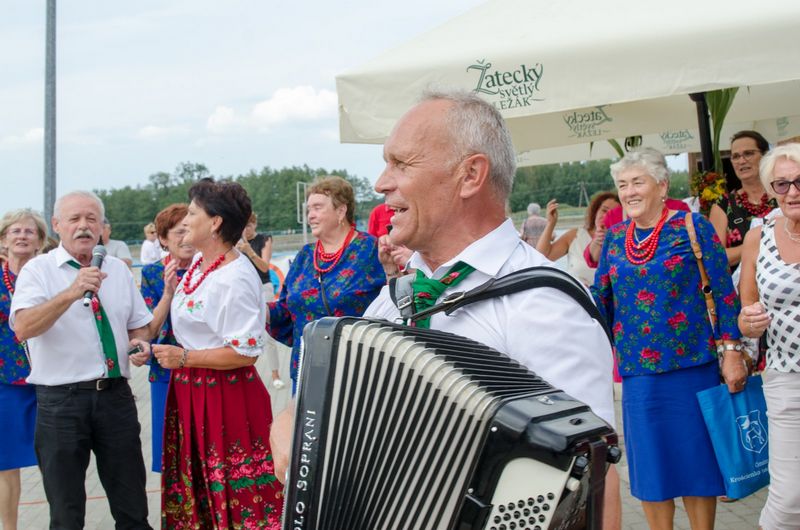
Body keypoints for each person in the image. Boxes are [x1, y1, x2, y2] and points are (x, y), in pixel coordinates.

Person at [272, 90, 621, 529]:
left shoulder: (546, 304)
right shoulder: (397, 298)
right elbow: (321, 402)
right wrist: (288, 423)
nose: (380, 183)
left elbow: (594, 481)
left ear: (470, 175)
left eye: (402, 164)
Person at [591, 148, 747, 530]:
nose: (628, 192)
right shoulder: (615, 239)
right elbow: (600, 300)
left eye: (637, 182)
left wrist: (731, 352)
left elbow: (724, 293)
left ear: (662, 186)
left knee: (697, 465)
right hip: (639, 374)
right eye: (622, 185)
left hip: (693, 366)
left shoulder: (691, 227)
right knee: (652, 469)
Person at [137, 179, 283, 529]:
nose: (185, 221)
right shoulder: (200, 266)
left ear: (215, 222)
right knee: (201, 485)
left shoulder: (234, 276)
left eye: (192, 213)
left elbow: (245, 353)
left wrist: (184, 358)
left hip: (225, 395)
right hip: (193, 389)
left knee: (235, 492)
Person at [9, 191, 156, 530]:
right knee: (66, 512)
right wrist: (73, 291)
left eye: (92, 218)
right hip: (61, 402)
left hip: (116, 398)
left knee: (133, 507)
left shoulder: (117, 269)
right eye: (74, 219)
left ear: (102, 226)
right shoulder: (38, 270)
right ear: (57, 225)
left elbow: (139, 324)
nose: (84, 226)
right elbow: (24, 327)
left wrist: (139, 343)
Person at [267, 176, 385, 392]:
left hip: (355, 373)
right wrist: (257, 309)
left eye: (318, 208)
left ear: (341, 211)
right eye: (309, 209)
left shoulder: (370, 250)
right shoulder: (305, 256)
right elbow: (285, 311)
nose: (310, 215)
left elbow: (390, 308)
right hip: (306, 370)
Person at [737, 143, 800, 530]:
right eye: (782, 184)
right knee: (789, 498)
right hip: (786, 377)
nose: (792, 192)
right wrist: (750, 322)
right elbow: (746, 316)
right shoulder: (758, 238)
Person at [0, 209, 47, 530]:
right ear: (4, 240)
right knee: (5, 463)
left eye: (29, 231)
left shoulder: (51, 276)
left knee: (57, 461)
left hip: (51, 378)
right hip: (5, 381)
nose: (22, 236)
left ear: (40, 240)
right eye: (15, 231)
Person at [138, 204, 194, 473]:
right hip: (166, 370)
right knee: (170, 452)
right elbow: (149, 328)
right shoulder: (152, 274)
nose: (187, 238)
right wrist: (168, 294)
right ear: (162, 239)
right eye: (179, 232)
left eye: (190, 229)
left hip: (206, 365)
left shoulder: (211, 268)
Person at [709, 131, 777, 270]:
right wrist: (758, 242)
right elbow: (714, 257)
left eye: (748, 153)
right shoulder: (723, 205)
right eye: (735, 156)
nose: (741, 161)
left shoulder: (784, 195)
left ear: (765, 156)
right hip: (740, 282)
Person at [237, 213, 284, 389]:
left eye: (249, 225)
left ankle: (275, 374)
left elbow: (265, 267)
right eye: (243, 226)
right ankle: (247, 374)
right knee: (243, 333)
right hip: (244, 290)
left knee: (269, 335)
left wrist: (249, 251)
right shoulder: (235, 243)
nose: (246, 229)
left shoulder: (264, 239)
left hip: (263, 287)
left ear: (255, 224)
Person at [536, 192, 620, 286]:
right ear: (596, 211)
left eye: (613, 213)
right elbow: (541, 257)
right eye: (604, 210)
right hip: (574, 293)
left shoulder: (622, 242)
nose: (606, 216)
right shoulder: (575, 235)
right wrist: (551, 223)